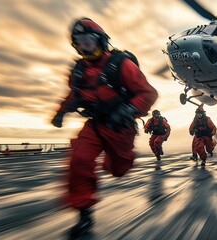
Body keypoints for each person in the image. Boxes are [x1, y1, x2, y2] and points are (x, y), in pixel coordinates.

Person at [51, 18, 158, 237]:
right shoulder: (79, 70)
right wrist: (61, 111)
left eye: (89, 40)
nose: (85, 46)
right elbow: (75, 95)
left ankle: (116, 161)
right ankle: (84, 214)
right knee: (79, 160)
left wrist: (129, 110)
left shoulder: (121, 64)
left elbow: (148, 93)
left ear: (101, 41)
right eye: (80, 42)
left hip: (120, 127)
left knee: (118, 170)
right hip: (95, 125)